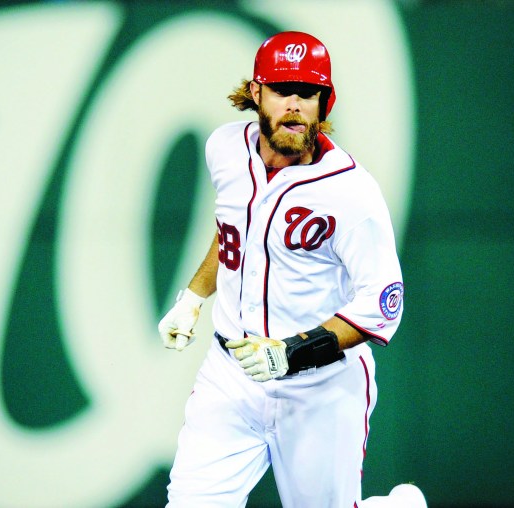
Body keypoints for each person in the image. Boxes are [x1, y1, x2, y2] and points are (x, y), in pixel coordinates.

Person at [157, 31, 426, 508]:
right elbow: (233, 229)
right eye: (283, 89)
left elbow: (382, 304)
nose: (295, 104)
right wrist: (194, 298)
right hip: (230, 376)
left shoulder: (351, 193)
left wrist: (292, 352)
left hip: (320, 386)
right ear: (256, 92)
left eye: (309, 92)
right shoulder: (224, 148)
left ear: (325, 102)